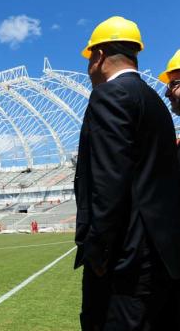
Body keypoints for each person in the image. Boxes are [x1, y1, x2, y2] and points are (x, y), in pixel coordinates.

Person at [74, 16, 180, 330]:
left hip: (124, 260)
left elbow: (109, 180)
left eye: (90, 59)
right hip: (157, 256)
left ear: (99, 56)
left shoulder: (110, 95)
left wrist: (100, 255)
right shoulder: (153, 103)